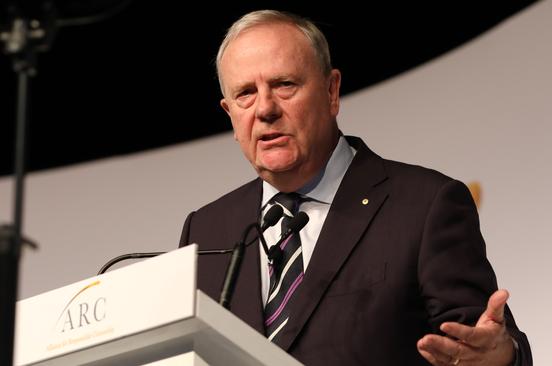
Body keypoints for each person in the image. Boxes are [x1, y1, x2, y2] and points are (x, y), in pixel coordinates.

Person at [179, 10, 532, 366]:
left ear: (332, 91)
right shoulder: (206, 231)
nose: (265, 109)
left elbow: (479, 342)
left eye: (284, 84)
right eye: (246, 94)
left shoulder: (424, 206)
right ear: (230, 114)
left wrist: (501, 357)